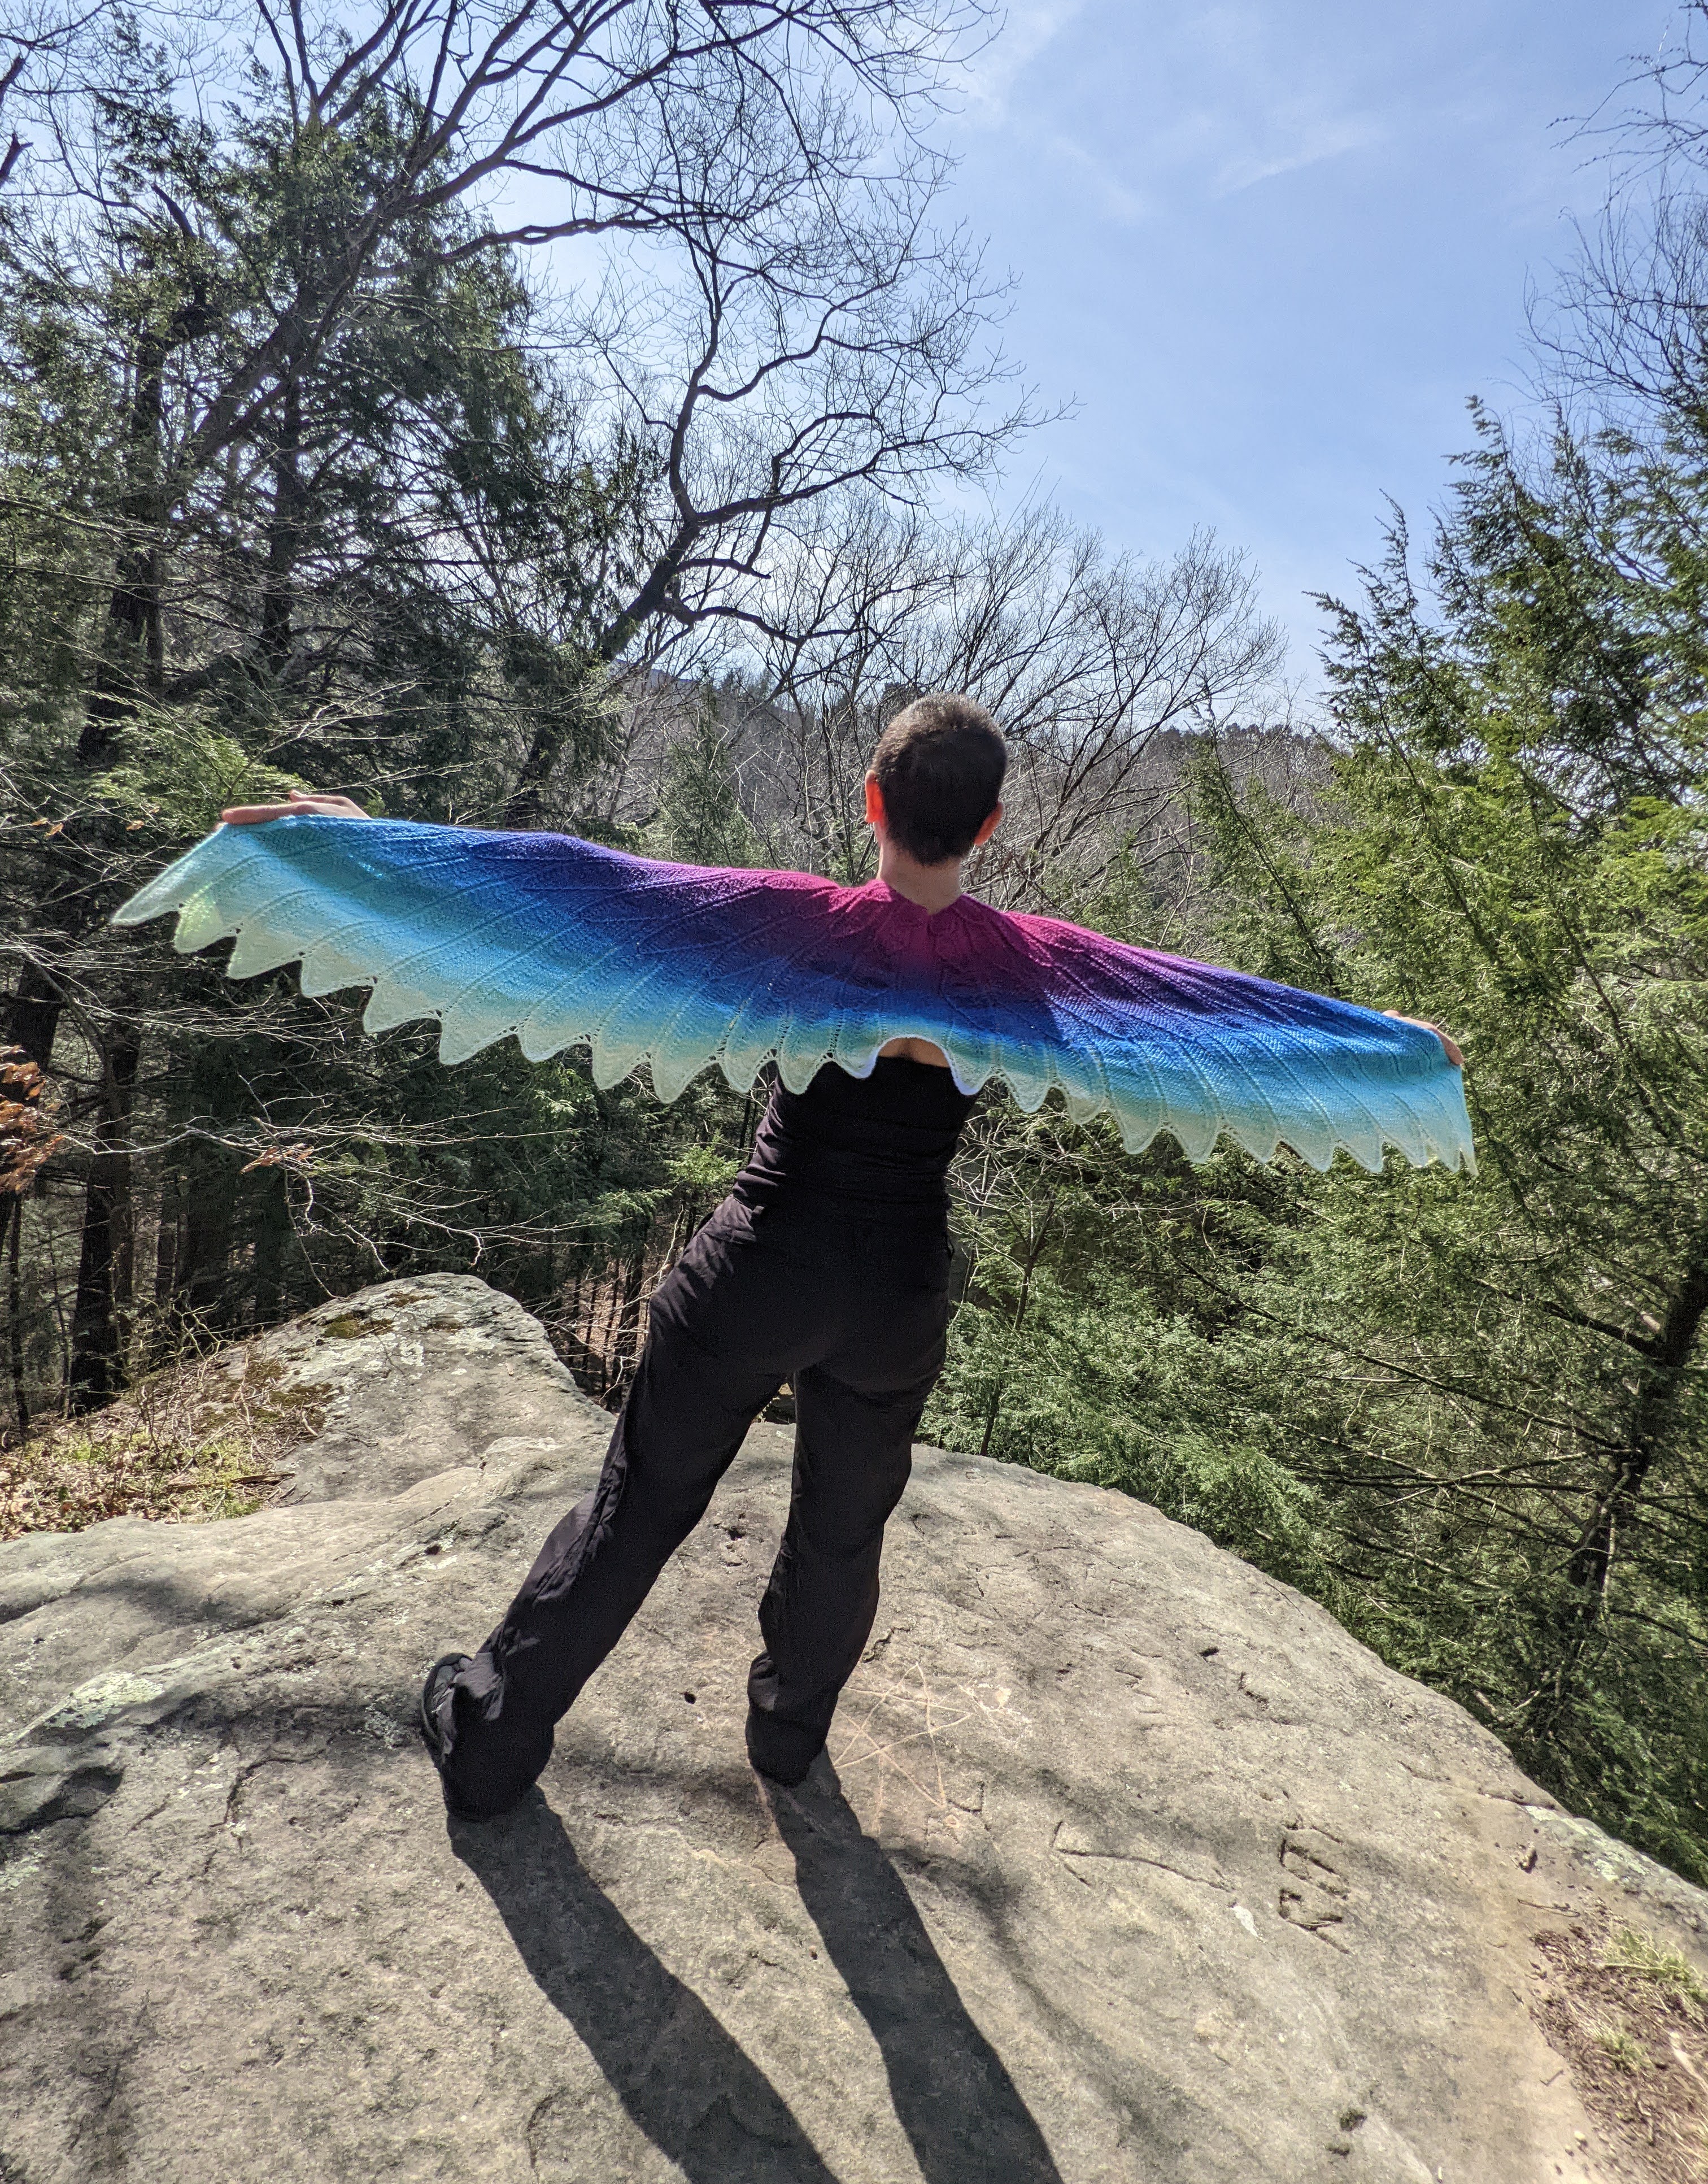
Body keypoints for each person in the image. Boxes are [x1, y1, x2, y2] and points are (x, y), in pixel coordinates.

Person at [221, 697, 1462, 1818]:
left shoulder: (798, 923)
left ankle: (493, 1740)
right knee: (844, 1528)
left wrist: (369, 845)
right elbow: (1210, 1004)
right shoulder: (1029, 966)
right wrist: (1386, 1043)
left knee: (640, 1505)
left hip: (762, 1264)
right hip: (899, 1292)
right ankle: (786, 1742)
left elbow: (589, 889)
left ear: (874, 803)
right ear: (989, 826)